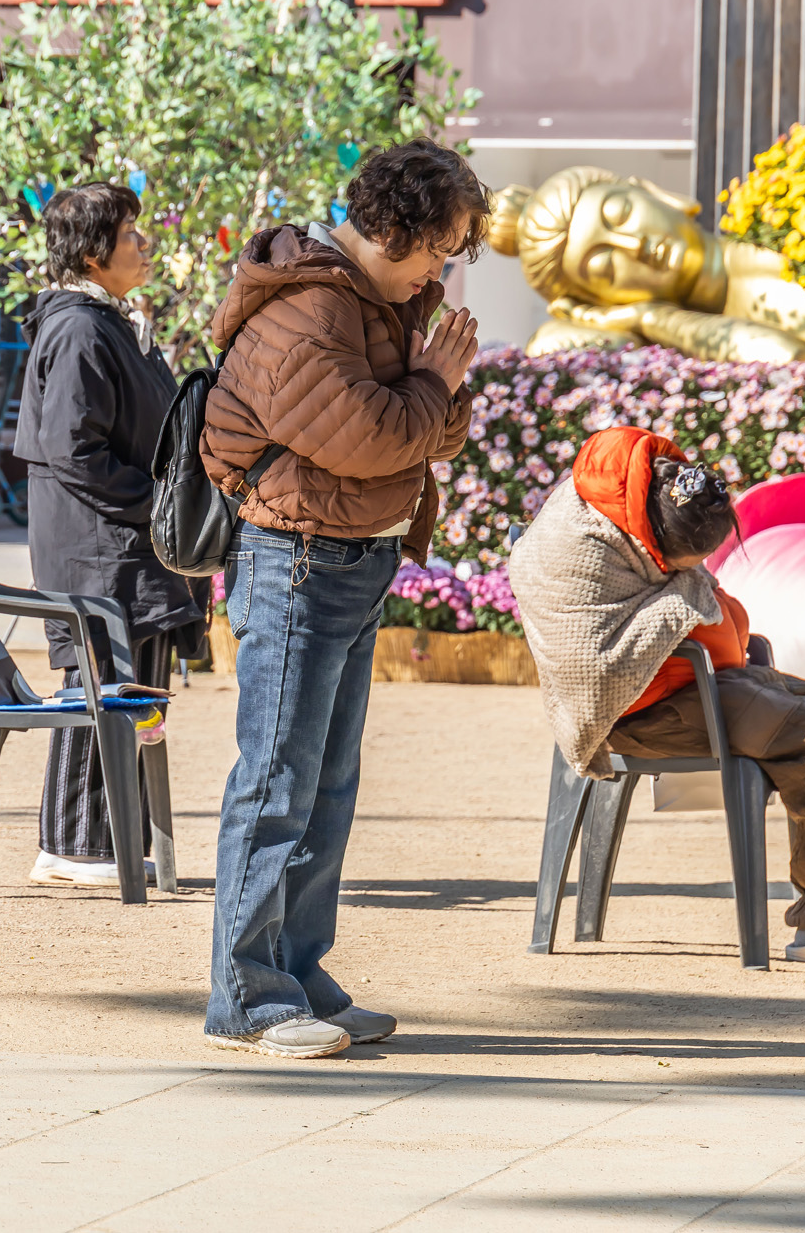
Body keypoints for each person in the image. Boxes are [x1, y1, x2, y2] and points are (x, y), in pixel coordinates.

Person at [200, 139, 486, 1057]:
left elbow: (430, 438)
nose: (440, 269)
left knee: (327, 784)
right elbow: (371, 436)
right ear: (391, 227)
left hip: (349, 559)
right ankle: (247, 994)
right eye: (437, 247)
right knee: (278, 780)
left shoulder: (374, 304)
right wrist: (435, 383)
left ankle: (300, 969)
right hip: (298, 560)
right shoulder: (312, 308)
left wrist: (431, 394)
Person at [511, 426, 805, 961]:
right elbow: (709, 637)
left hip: (686, 686)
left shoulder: (615, 502)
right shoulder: (586, 552)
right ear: (658, 540)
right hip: (638, 711)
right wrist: (705, 610)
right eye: (692, 564)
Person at [13, 181, 202, 887]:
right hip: (101, 550)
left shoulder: (105, 321)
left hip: (124, 545)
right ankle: (70, 845)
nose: (145, 245)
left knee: (128, 690)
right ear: (95, 254)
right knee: (100, 685)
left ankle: (114, 839)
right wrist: (156, 506)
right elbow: (74, 449)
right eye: (131, 236)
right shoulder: (78, 329)